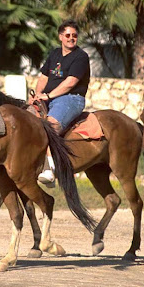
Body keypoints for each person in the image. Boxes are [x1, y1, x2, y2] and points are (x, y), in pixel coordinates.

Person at [29, 19, 90, 185]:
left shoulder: (81, 57)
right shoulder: (54, 54)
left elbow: (70, 83)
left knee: (51, 124)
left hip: (71, 98)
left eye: (75, 35)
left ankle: (50, 168)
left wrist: (48, 96)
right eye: (68, 35)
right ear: (60, 37)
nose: (71, 38)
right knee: (25, 122)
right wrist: (38, 95)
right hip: (48, 97)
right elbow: (44, 77)